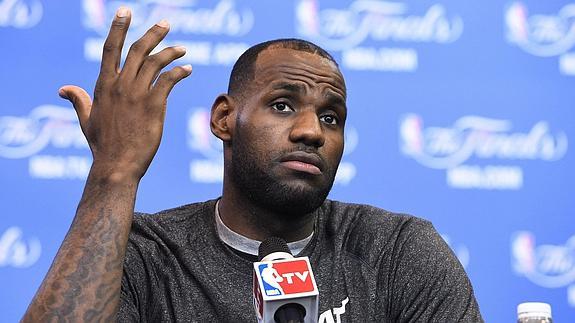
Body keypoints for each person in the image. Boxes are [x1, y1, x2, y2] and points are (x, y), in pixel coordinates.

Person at [23, 7, 483, 322]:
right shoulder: (147, 252)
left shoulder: (398, 252)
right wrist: (114, 172)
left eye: (331, 117)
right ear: (225, 119)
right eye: (282, 106)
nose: (312, 132)